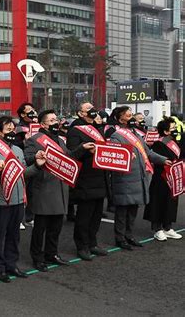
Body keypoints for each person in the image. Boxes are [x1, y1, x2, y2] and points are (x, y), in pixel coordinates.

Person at [24, 109, 94, 272]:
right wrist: (36, 157)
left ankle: (51, 254)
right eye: (52, 120)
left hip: (60, 187)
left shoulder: (60, 140)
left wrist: (82, 148)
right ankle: (37, 257)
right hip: (44, 188)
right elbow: (27, 159)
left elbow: (69, 156)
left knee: (56, 226)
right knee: (40, 227)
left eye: (56, 119)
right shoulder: (34, 140)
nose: (56, 122)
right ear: (42, 124)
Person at [0, 116, 46, 282]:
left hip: (18, 199)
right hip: (0, 200)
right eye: (7, 130)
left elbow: (23, 174)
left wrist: (36, 165)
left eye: (13, 129)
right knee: (0, 236)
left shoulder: (18, 150)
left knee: (14, 235)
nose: (12, 132)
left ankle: (11, 264)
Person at [109, 106, 170, 250]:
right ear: (120, 118)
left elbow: (148, 152)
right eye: (128, 115)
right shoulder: (115, 135)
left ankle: (129, 236)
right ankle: (120, 238)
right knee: (122, 212)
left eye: (131, 115)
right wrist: (126, 155)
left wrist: (163, 159)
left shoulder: (135, 134)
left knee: (132, 210)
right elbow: (114, 155)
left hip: (138, 178)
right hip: (124, 179)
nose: (131, 117)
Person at [67, 102, 109, 261]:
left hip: (100, 176)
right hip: (85, 178)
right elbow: (72, 155)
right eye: (88, 109)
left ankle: (93, 243)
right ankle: (82, 246)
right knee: (84, 216)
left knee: (96, 215)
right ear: (80, 113)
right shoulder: (75, 130)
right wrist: (84, 149)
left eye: (93, 108)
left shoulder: (98, 129)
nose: (93, 111)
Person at [144, 118, 182, 241]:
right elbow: (158, 160)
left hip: (174, 178)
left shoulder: (175, 142)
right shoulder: (158, 143)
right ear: (165, 131)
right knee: (158, 202)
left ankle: (168, 227)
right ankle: (157, 229)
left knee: (171, 202)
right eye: (173, 128)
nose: (176, 130)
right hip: (161, 178)